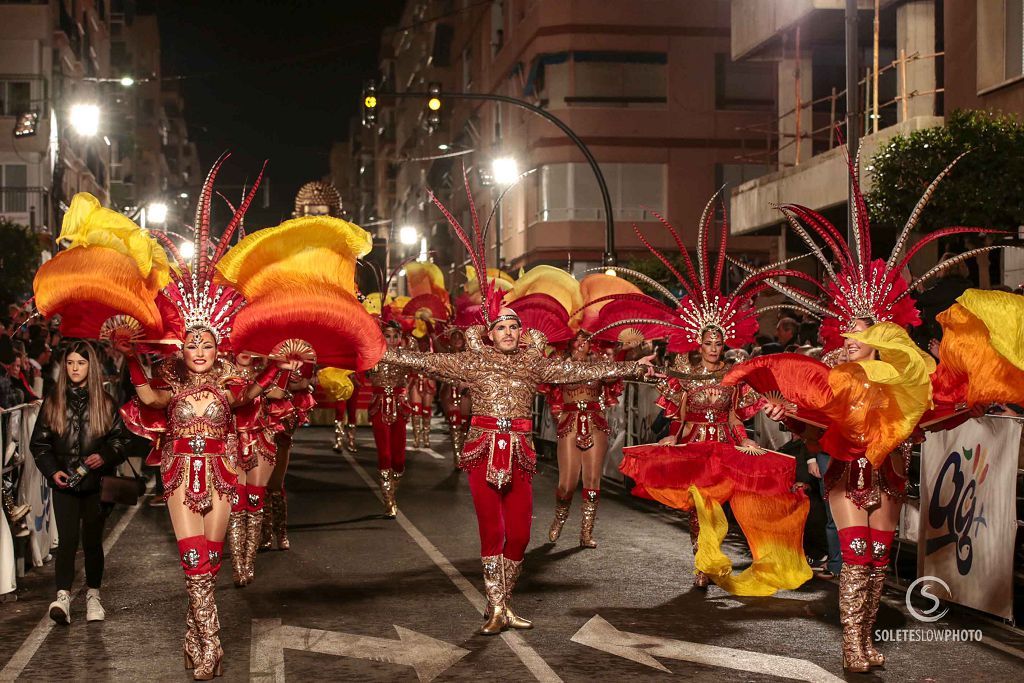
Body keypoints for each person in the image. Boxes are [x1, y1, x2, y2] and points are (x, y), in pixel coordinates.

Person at [731, 153, 1006, 672]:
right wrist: (782, 410)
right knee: (855, 555)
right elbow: (812, 418)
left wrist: (971, 398)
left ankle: (866, 637)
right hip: (846, 472)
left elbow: (932, 413)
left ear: (885, 332)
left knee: (879, 560)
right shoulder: (830, 371)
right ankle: (852, 647)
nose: (855, 337)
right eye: (849, 327)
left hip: (892, 472)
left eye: (866, 328)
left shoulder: (910, 372)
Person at [383, 183, 658, 635]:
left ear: (520, 332)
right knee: (491, 530)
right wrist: (377, 350)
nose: (509, 330)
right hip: (481, 449)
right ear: (489, 334)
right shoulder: (470, 361)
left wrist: (632, 370)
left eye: (514, 324)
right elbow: (420, 359)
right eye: (501, 326)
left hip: (522, 452)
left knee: (522, 535)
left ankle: (506, 600)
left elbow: (575, 371)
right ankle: (494, 606)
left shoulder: (536, 364)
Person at [30, 341, 131, 624]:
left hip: (97, 486)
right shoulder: (53, 401)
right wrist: (52, 472)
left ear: (91, 367)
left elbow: (121, 440)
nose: (75, 368)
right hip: (64, 484)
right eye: (71, 363)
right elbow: (39, 444)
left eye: (81, 363)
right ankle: (62, 595)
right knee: (67, 541)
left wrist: (105, 455)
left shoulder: (106, 402)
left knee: (92, 542)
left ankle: (93, 595)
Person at [545, 333, 623, 548]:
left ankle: (586, 533)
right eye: (577, 339)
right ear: (569, 343)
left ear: (593, 344)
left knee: (592, 480)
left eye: (586, 340)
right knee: (567, 484)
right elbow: (546, 381)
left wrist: (620, 356)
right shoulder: (559, 363)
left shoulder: (600, 364)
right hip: (569, 422)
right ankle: (559, 519)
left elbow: (615, 376)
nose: (581, 343)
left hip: (595, 423)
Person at [365, 320, 413, 517]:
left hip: (399, 406)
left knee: (399, 459)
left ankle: (392, 491)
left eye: (395, 336)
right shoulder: (373, 356)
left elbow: (425, 367)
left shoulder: (406, 356)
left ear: (401, 338)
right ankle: (389, 500)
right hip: (379, 406)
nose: (392, 340)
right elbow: (358, 365)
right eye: (387, 335)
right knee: (384, 455)